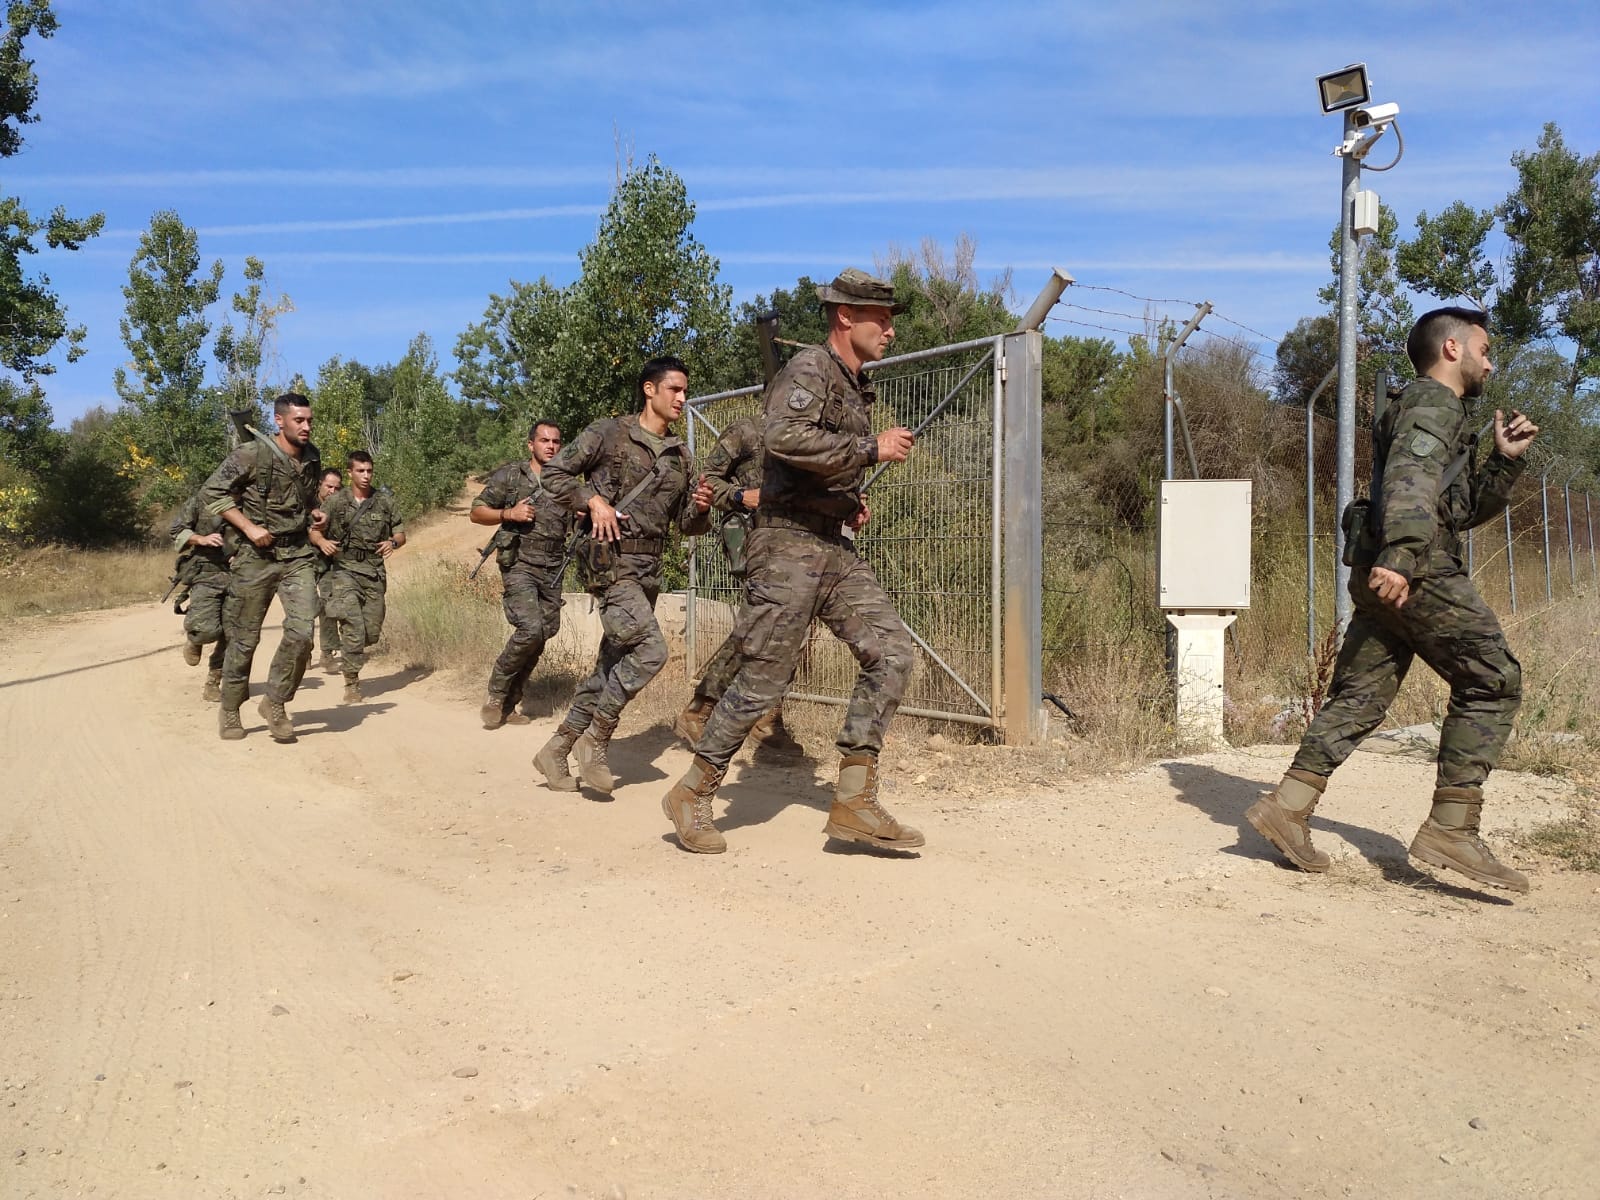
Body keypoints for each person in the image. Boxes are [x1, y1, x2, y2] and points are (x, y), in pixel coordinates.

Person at [1246, 306, 1538, 893]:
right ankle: (1452, 828)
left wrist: (1503, 463)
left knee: (1361, 695)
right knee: (1493, 680)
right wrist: (1402, 559)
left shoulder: (1429, 409)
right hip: (1418, 572)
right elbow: (1409, 484)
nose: (1490, 361)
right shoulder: (1433, 402)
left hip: (1393, 568)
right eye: (1484, 349)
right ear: (1451, 349)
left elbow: (1456, 510)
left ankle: (1289, 806)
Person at [659, 269, 922, 855]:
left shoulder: (856, 383)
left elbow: (811, 465)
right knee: (762, 679)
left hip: (830, 543)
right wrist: (869, 449)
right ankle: (692, 792)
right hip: (783, 547)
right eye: (882, 317)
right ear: (845, 317)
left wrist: (848, 499)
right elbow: (784, 439)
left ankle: (854, 798)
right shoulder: (809, 368)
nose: (891, 330)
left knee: (892, 653)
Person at [534, 357, 713, 793]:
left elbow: (686, 524)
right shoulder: (608, 433)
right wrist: (589, 500)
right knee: (652, 651)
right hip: (608, 565)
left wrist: (703, 507)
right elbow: (554, 476)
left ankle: (556, 749)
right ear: (650, 389)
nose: (683, 399)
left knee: (609, 666)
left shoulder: (681, 456)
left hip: (648, 570)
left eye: (686, 391)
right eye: (675, 390)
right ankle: (596, 737)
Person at [198, 392, 326, 743]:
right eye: (299, 420)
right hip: (257, 556)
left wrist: (314, 510)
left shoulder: (311, 456)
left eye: (309, 420)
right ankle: (229, 708)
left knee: (302, 633)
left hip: (297, 552)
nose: (306, 426)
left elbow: (305, 494)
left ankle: (275, 701)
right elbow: (212, 493)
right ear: (279, 421)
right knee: (244, 639)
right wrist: (249, 528)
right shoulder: (251, 453)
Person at [673, 414, 800, 754]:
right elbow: (707, 482)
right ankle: (701, 709)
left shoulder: (810, 437)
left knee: (789, 633)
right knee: (757, 628)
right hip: (757, 541)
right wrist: (742, 495)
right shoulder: (746, 431)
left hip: (801, 547)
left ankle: (766, 719)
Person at [470, 420, 570, 729]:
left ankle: (511, 702)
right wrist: (508, 513)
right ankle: (496, 693)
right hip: (519, 565)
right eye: (544, 440)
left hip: (553, 568)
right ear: (531, 445)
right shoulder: (512, 476)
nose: (550, 446)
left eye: (555, 441)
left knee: (544, 633)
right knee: (530, 628)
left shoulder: (566, 482)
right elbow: (476, 511)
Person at [314, 451, 405, 704]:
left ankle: (351, 648)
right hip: (344, 570)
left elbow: (400, 532)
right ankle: (351, 682)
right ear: (350, 473)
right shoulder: (336, 501)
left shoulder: (384, 501)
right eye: (360, 471)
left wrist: (392, 542)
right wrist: (321, 541)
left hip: (374, 572)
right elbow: (314, 530)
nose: (366, 476)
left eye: (369, 471)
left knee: (371, 632)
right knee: (353, 625)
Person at [168, 490, 232, 701]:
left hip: (240, 574)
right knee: (207, 631)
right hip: (206, 571)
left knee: (233, 633)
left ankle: (213, 682)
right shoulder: (200, 501)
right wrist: (200, 539)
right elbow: (176, 530)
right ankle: (195, 638)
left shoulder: (252, 502)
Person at [314, 466, 344, 673]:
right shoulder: (306, 504)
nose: (332, 491)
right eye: (329, 486)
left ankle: (327, 652)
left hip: (328, 564)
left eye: (337, 488)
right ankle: (302, 649)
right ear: (319, 485)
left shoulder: (341, 507)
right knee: (305, 609)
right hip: (304, 562)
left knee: (328, 603)